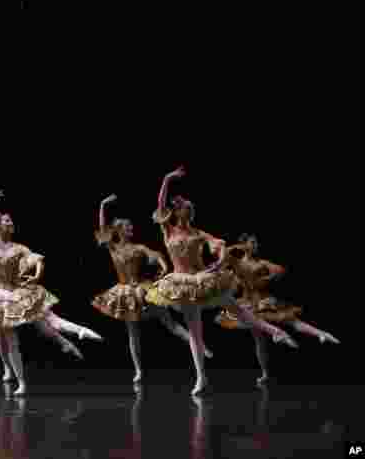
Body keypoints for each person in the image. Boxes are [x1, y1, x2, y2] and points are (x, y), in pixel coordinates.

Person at [145, 167, 297, 395]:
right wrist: (167, 179)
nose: (188, 210)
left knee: (236, 309)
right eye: (186, 208)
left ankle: (275, 331)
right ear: (177, 212)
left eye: (190, 209)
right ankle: (201, 378)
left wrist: (217, 263)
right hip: (181, 282)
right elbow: (159, 204)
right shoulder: (168, 230)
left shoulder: (198, 233)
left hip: (202, 278)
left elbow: (221, 246)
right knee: (195, 333)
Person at [0, 182, 102, 395]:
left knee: (33, 326)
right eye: (7, 221)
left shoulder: (20, 248)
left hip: (16, 292)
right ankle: (13, 373)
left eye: (11, 221)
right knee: (3, 333)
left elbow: (37, 261)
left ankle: (74, 336)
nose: (11, 223)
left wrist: (36, 275)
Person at [92, 193, 215, 384]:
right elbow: (101, 228)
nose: (131, 229)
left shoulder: (139, 247)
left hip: (143, 289)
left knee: (170, 323)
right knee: (133, 332)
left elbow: (157, 255)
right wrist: (102, 205)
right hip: (124, 292)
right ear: (119, 231)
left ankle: (200, 345)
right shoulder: (113, 248)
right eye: (127, 227)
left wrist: (164, 267)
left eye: (131, 226)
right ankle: (139, 370)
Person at [214, 233, 340, 385]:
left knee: (291, 320)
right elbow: (224, 254)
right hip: (248, 302)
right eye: (252, 243)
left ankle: (321, 333)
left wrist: (270, 278)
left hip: (265, 300)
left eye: (256, 243)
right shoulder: (237, 262)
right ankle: (265, 373)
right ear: (245, 245)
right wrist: (239, 247)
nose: (256, 245)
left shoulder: (262, 263)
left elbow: (280, 269)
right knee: (259, 341)